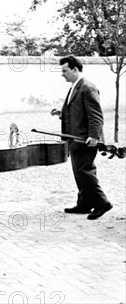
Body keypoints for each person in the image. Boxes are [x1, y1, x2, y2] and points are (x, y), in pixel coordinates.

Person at [51, 55, 112, 220]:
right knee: (79, 172)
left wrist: (94, 136)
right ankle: (84, 204)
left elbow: (96, 116)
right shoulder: (75, 87)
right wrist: (62, 113)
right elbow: (78, 111)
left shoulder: (87, 87)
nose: (62, 74)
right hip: (75, 139)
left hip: (85, 139)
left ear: (75, 69)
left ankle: (102, 203)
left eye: (65, 70)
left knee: (84, 171)